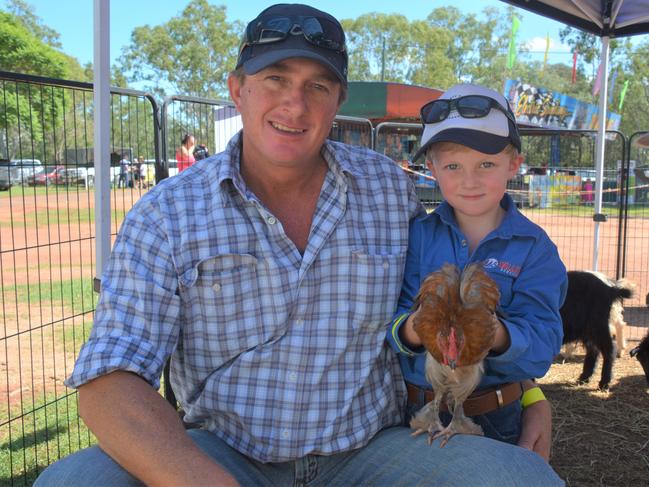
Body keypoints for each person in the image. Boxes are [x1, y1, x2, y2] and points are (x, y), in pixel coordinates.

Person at [35, 5, 563, 486]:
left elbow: (458, 304)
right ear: (237, 89)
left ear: (338, 100)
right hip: (224, 453)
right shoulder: (167, 213)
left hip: (373, 451)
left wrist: (529, 394)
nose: (295, 103)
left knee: (524, 480)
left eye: (318, 86)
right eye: (275, 78)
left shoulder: (387, 188)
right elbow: (109, 380)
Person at [387, 83, 567, 449]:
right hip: (413, 409)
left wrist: (495, 334)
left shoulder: (534, 249)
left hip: (493, 414)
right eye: (453, 165)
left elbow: (544, 343)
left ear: (513, 164)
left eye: (486, 164)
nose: (469, 180)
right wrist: (413, 330)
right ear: (433, 168)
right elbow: (388, 322)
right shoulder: (415, 236)